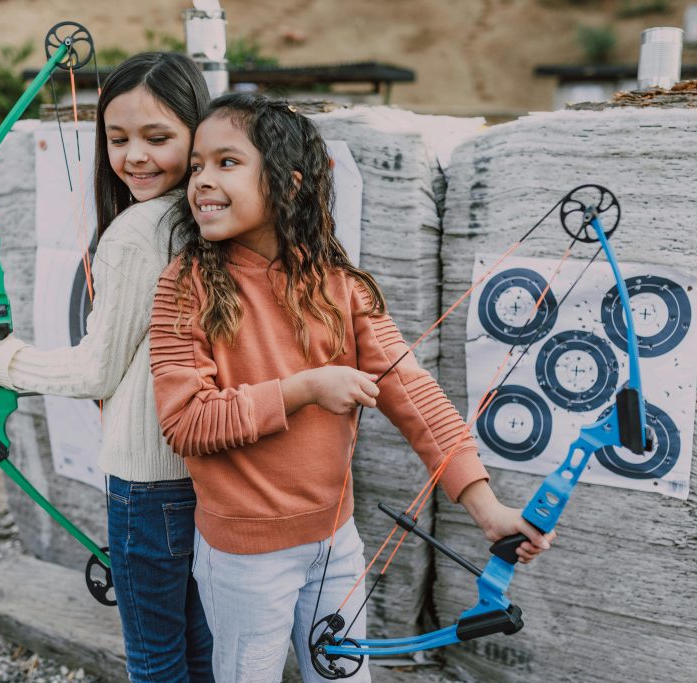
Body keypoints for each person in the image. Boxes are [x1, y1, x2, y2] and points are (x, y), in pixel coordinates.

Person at [148, 93, 556, 682]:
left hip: (335, 544)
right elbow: (186, 421)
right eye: (196, 167)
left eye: (227, 163)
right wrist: (305, 387)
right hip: (243, 557)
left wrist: (488, 510)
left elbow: (416, 397)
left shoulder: (337, 285)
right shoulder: (184, 286)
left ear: (287, 184)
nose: (202, 181)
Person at [0, 52, 214, 683]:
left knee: (156, 653)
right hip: (208, 469)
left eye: (158, 137)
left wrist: (7, 361)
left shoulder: (137, 233)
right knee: (198, 639)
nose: (135, 156)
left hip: (148, 476)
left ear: (200, 133)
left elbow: (96, 371)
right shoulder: (213, 220)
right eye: (117, 137)